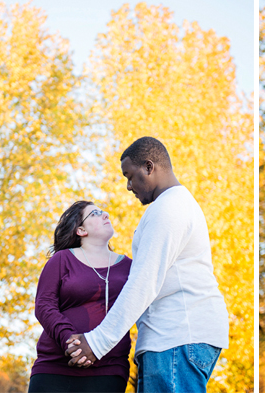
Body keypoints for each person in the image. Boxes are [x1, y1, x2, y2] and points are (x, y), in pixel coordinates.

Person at [64, 136, 229, 393]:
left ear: (149, 167)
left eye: (130, 175)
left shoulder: (169, 209)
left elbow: (143, 283)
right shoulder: (175, 205)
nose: (129, 186)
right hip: (176, 340)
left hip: (176, 339)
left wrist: (96, 343)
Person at [29, 201, 132, 392]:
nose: (105, 215)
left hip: (108, 371)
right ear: (81, 230)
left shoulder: (130, 267)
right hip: (55, 368)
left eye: (103, 211)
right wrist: (71, 342)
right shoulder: (62, 260)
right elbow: (44, 305)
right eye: (95, 213)